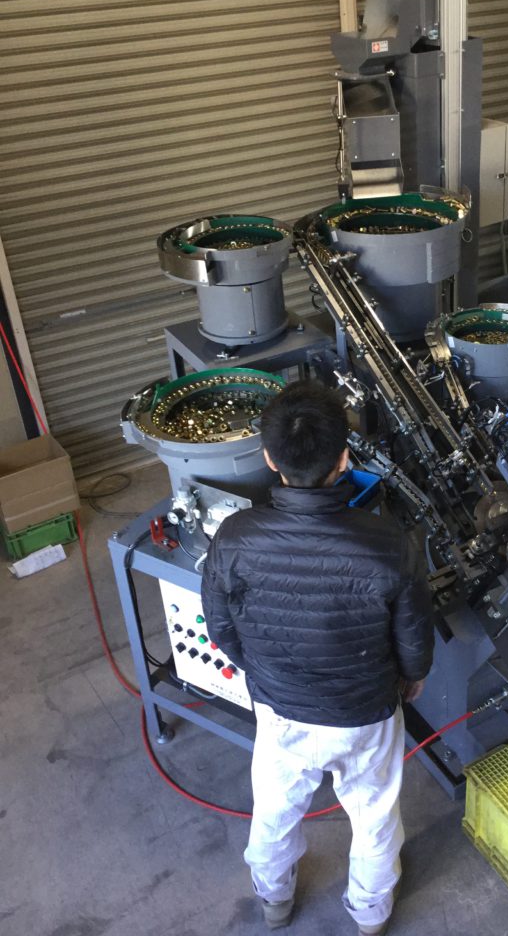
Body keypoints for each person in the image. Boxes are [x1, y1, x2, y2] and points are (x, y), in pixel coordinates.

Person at [201, 379, 434, 935]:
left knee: (274, 810)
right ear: (344, 459)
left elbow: (220, 626)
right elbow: (413, 638)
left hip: (280, 710)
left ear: (268, 458)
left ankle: (274, 900)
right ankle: (370, 914)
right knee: (375, 814)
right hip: (366, 713)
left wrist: (264, 671)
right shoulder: (389, 542)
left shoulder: (234, 537)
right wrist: (413, 677)